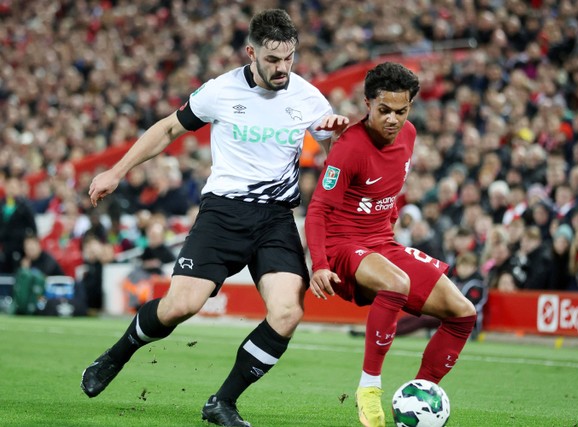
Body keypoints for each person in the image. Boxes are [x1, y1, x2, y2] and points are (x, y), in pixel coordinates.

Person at [80, 9, 349, 427]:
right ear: (251, 52)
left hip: (276, 218)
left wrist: (334, 134)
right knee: (179, 307)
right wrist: (117, 171)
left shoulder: (309, 98)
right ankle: (117, 354)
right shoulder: (220, 91)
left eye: (289, 58)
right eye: (274, 59)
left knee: (287, 313)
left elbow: (333, 151)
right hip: (223, 213)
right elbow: (169, 129)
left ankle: (222, 402)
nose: (283, 68)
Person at [304, 62, 476, 427]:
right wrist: (319, 263)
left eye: (402, 111)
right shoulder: (349, 147)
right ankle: (369, 388)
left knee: (463, 313)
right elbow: (318, 209)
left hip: (382, 243)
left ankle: (420, 396)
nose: (393, 120)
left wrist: (391, 221)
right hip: (343, 246)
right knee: (397, 283)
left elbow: (389, 191)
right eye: (384, 111)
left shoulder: (410, 135)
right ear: (368, 103)